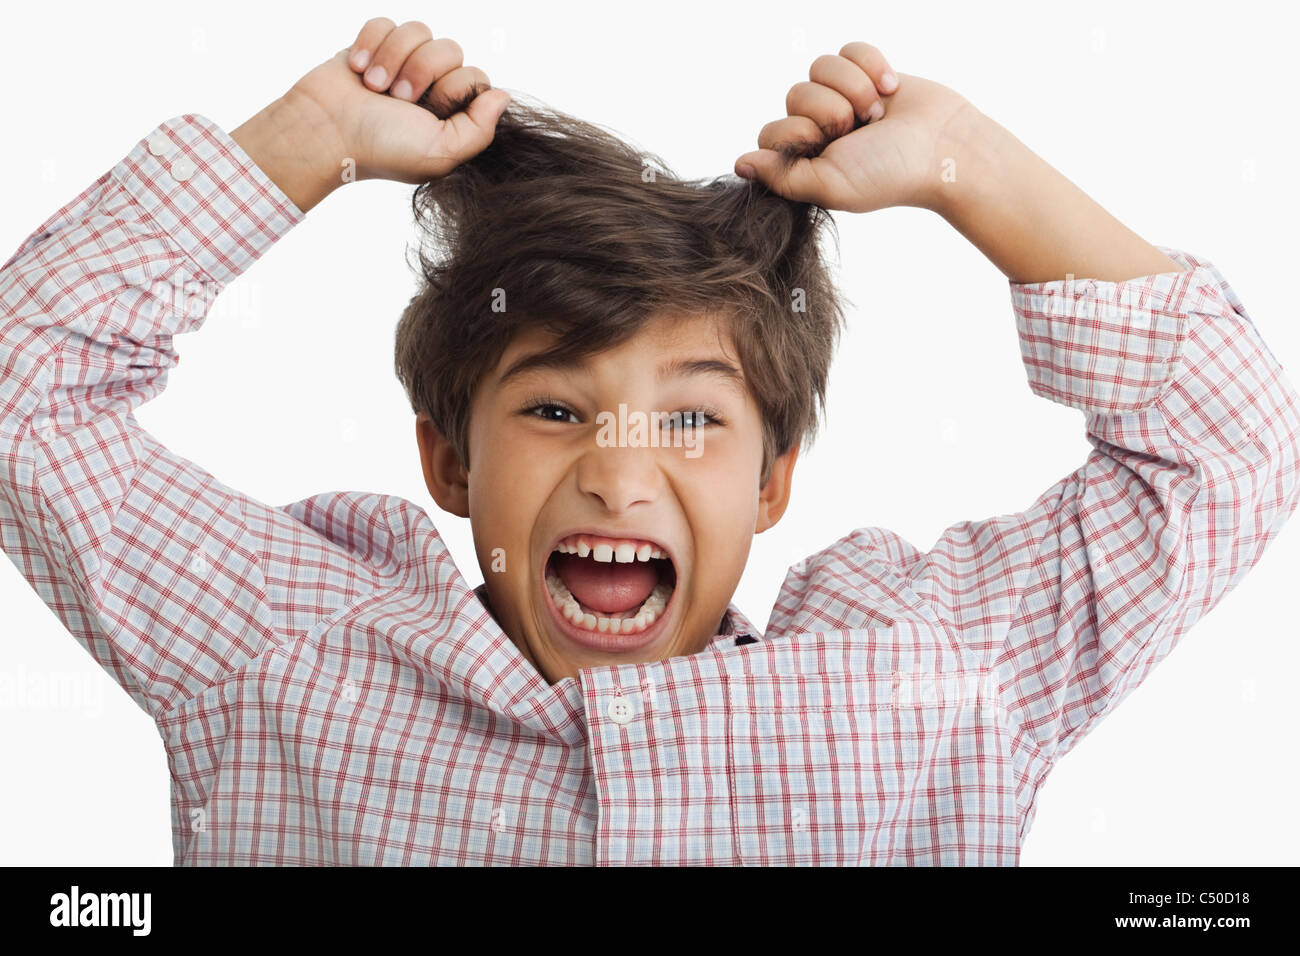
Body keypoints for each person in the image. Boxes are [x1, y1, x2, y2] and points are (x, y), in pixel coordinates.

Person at [1, 17, 1296, 865]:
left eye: (690, 417)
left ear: (775, 479)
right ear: (450, 463)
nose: (621, 470)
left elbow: (1233, 448)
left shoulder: (930, 684)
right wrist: (312, 141)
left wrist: (971, 167)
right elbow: (25, 389)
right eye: (555, 408)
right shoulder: (277, 653)